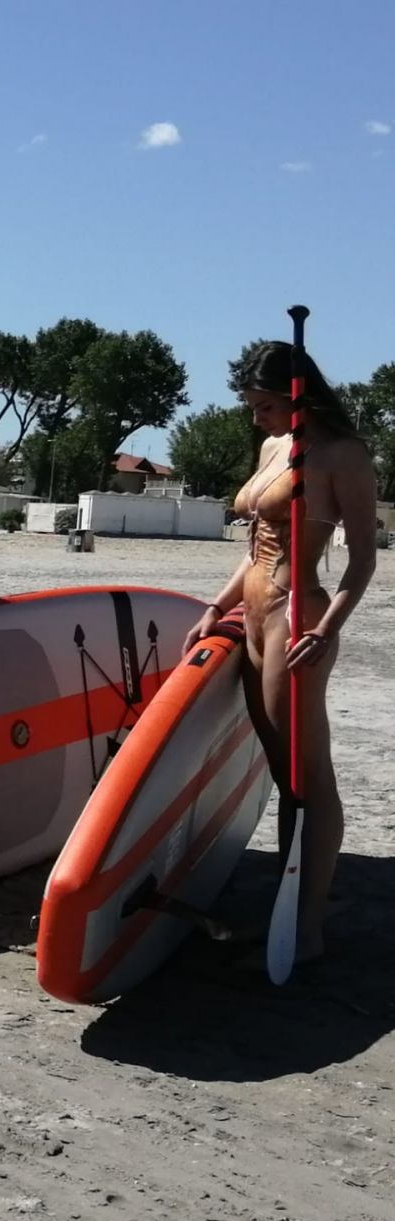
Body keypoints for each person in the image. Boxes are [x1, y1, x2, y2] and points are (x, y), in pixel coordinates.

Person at [182, 340, 377, 965]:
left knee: (307, 775)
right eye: (252, 406)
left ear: (298, 397)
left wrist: (328, 628)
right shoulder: (273, 448)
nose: (255, 417)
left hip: (299, 618)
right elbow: (256, 548)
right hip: (253, 614)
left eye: (265, 405)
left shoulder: (343, 454)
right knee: (280, 769)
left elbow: (363, 559)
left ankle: (308, 926)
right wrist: (216, 606)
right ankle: (287, 911)